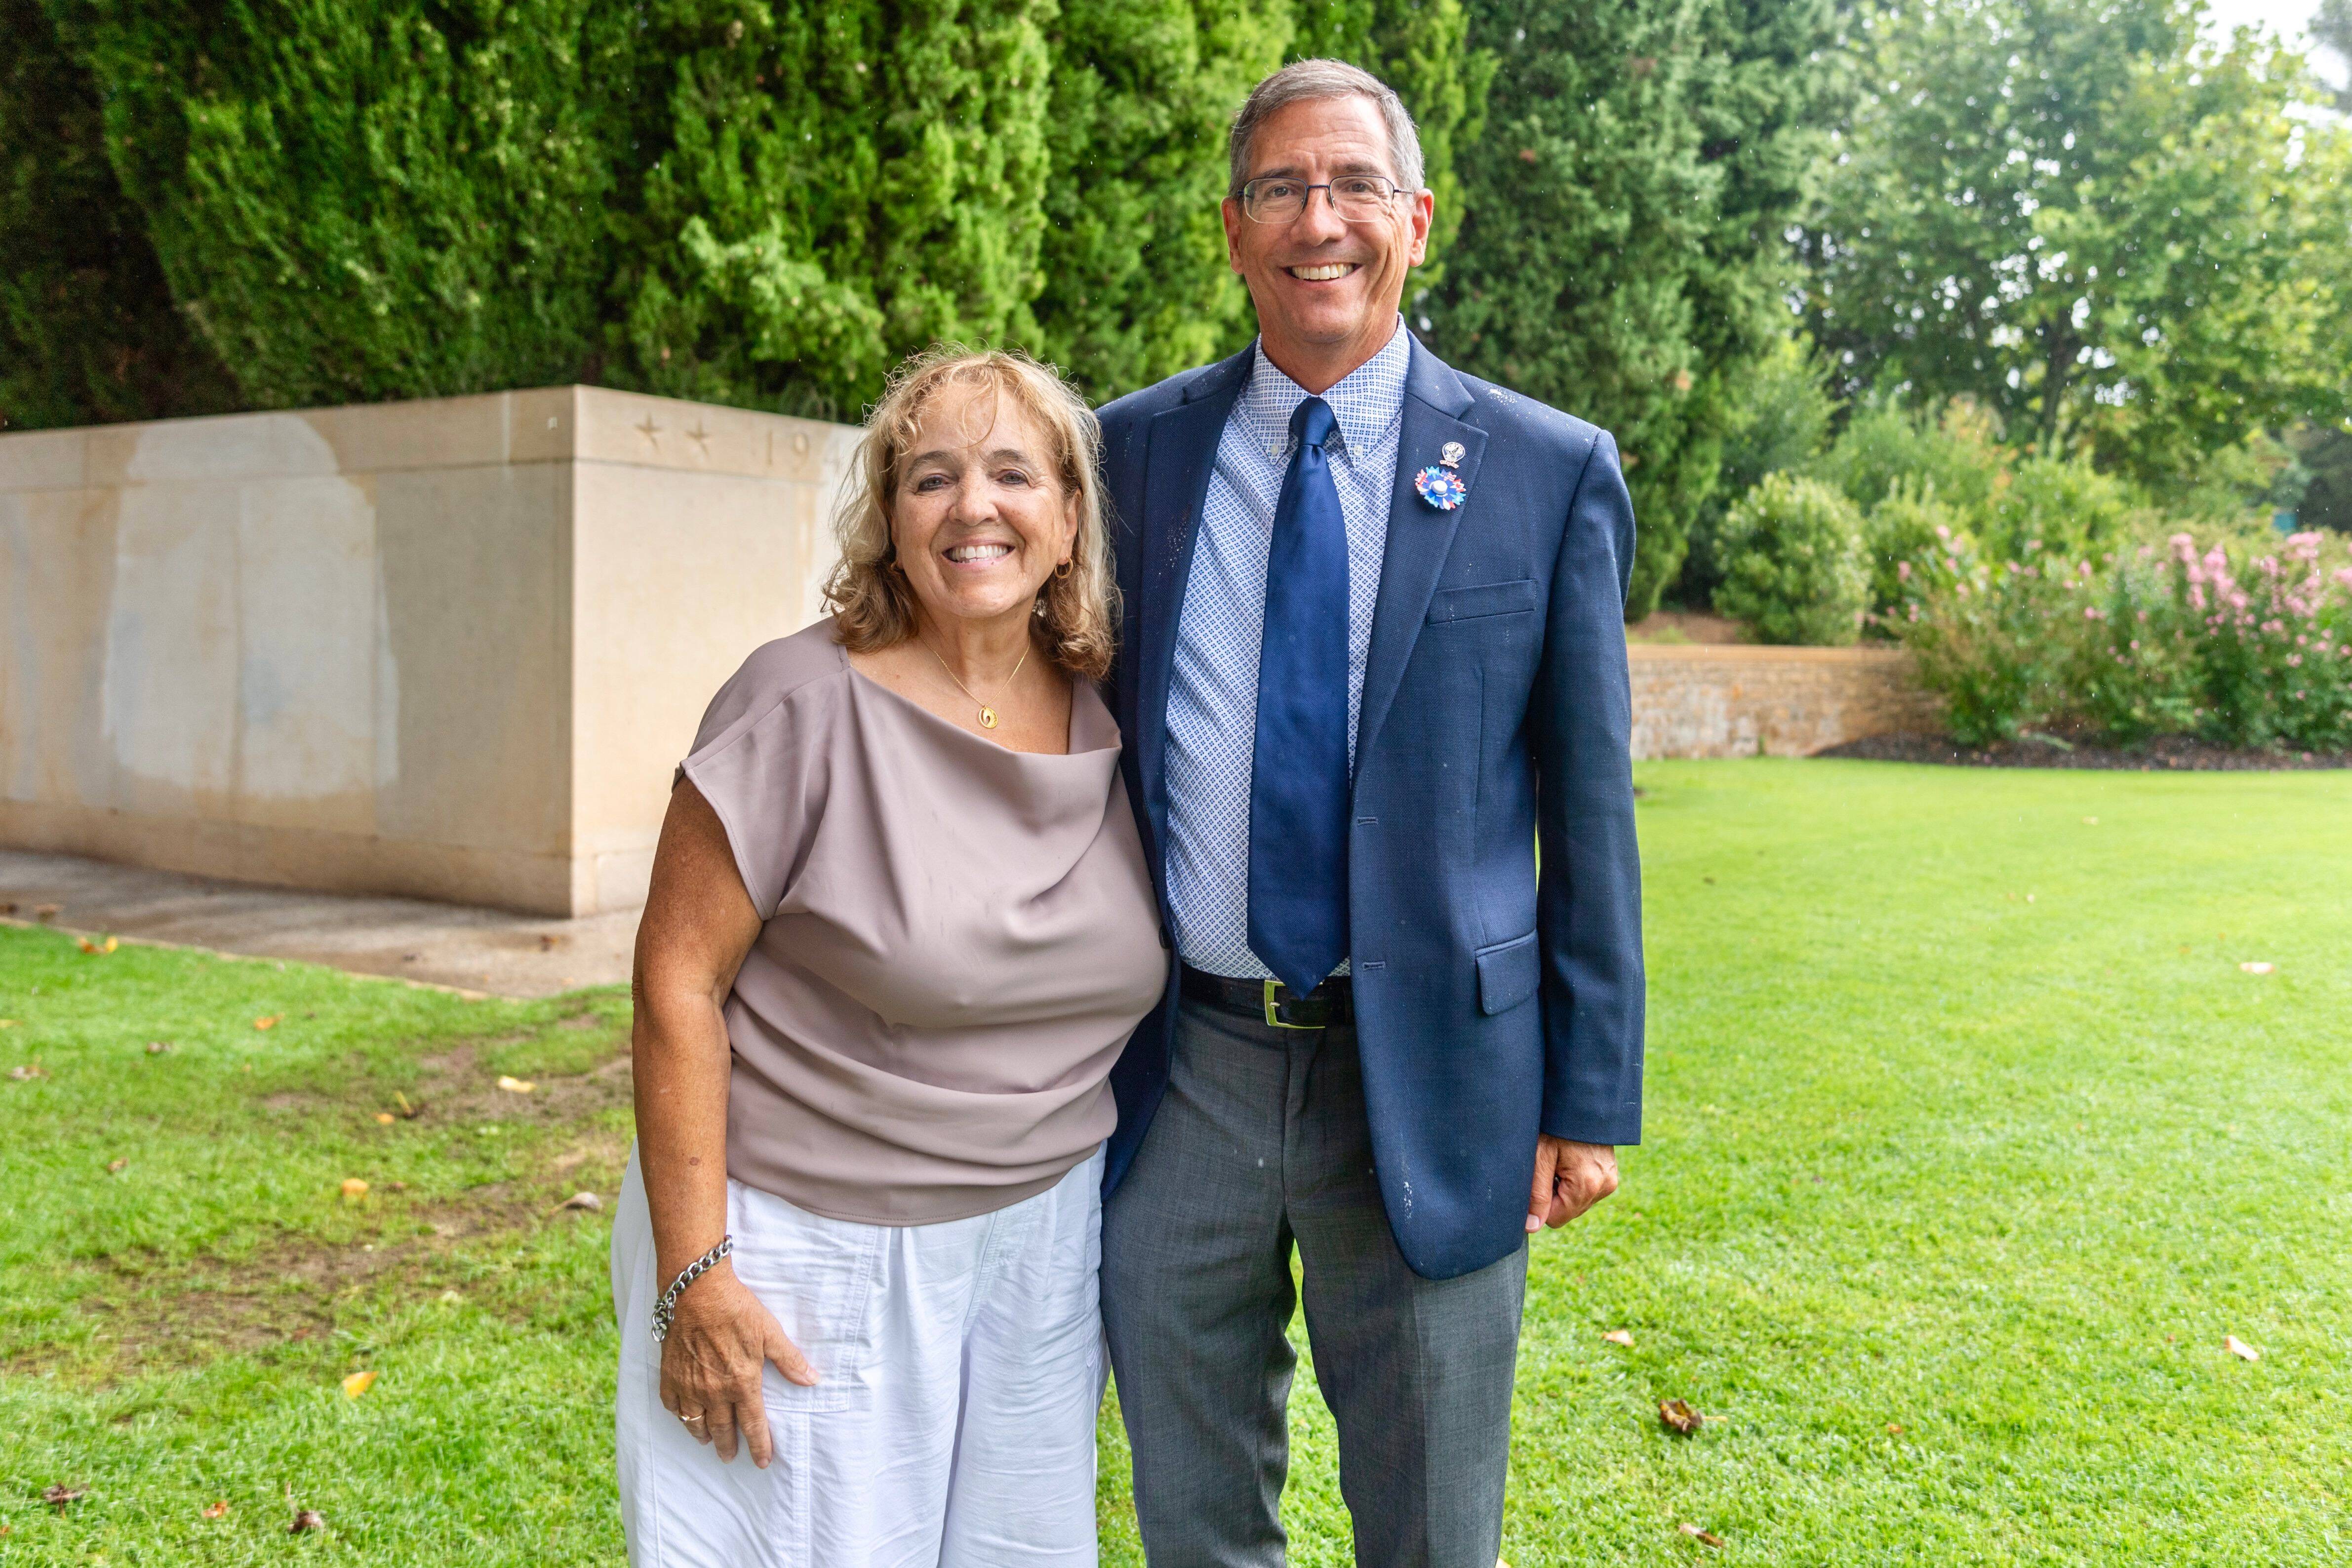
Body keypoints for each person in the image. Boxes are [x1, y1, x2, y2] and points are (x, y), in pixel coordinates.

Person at [1095, 59, 1646, 1567]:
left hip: (1436, 1082)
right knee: (1193, 1521)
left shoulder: (1545, 470)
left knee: (1429, 1529)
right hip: (1182, 1073)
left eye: (1349, 187)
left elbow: (1590, 806)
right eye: (1280, 188)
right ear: (1231, 230)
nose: (1315, 221)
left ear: (1415, 219)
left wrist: (1587, 1099)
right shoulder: (1124, 454)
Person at [613, 347, 1165, 1567]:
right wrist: (693, 1270)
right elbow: (676, 982)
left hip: (1042, 1248)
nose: (976, 505)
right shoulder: (798, 703)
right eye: (933, 477)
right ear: (889, 521)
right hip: (810, 1241)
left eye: (1015, 474)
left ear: (1069, 521)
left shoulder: (1104, 707)